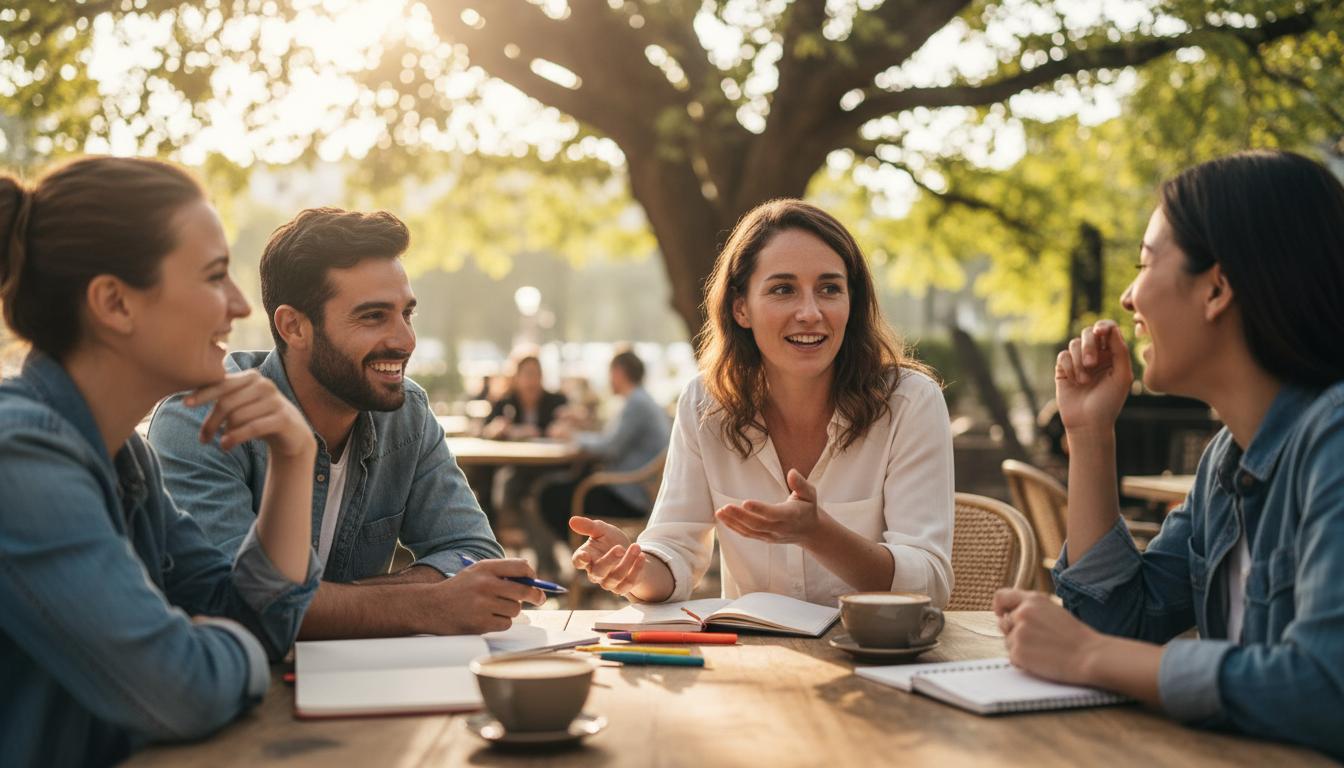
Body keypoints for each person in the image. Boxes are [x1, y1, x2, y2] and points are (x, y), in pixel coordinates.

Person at [992, 150, 1344, 759]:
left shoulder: (1333, 442)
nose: (1128, 298)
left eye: (1145, 263)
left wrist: (1086, 654)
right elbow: (1117, 623)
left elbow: (1325, 691)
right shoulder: (1224, 465)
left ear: (1217, 288)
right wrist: (1090, 436)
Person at [0, 157, 321, 766]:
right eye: (214, 276)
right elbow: (181, 687)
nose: (238, 305)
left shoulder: (128, 457)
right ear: (115, 303)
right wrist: (228, 644)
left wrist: (294, 455)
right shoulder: (18, 457)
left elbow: (261, 620)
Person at [149, 207, 543, 640]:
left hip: (363, 686)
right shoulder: (204, 422)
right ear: (294, 327)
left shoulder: (406, 413)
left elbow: (474, 553)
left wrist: (316, 602)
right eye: (374, 316)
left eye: (406, 314)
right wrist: (427, 603)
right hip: (241, 694)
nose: (405, 340)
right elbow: (232, 605)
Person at [569, 200, 954, 607]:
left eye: (829, 289)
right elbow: (674, 550)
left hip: (876, 659)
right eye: (783, 290)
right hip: (756, 659)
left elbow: (929, 585)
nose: (810, 312)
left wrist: (818, 533)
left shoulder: (910, 402)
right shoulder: (706, 403)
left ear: (851, 303)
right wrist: (632, 568)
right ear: (741, 308)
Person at [539, 349, 672, 537]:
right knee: (566, 484)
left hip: (629, 497)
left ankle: (582, 550)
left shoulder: (636, 403)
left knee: (549, 494)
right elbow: (613, 438)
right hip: (637, 490)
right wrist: (583, 429)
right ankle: (581, 549)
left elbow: (609, 447)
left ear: (618, 372)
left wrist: (572, 436)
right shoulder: (641, 400)